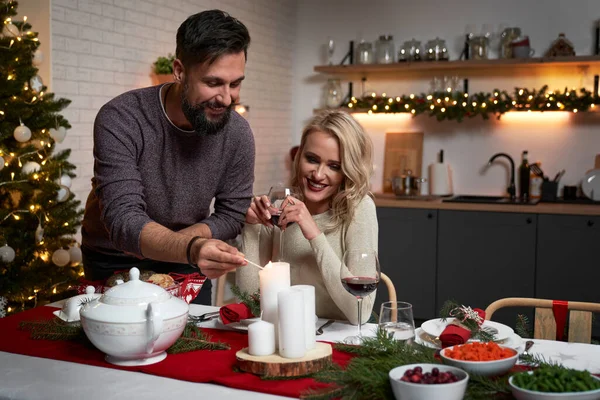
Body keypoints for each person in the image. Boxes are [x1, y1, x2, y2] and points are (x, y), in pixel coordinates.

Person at [81, 10, 254, 305]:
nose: (226, 98)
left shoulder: (237, 132)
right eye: (213, 83)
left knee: (193, 348)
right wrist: (189, 246)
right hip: (114, 260)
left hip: (188, 261)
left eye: (235, 83)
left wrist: (188, 246)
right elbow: (124, 220)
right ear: (179, 71)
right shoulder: (122, 117)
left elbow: (232, 214)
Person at [236, 110, 378, 324]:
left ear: (348, 169)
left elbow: (360, 313)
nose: (318, 175)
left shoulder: (359, 208)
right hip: (286, 331)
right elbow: (252, 302)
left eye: (334, 166)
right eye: (312, 159)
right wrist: (250, 227)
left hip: (339, 337)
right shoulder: (277, 206)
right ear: (299, 155)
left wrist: (313, 232)